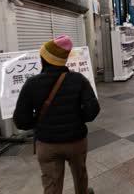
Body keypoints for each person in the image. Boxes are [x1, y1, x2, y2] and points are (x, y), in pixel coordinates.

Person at [13, 35, 100, 194]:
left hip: (47, 143)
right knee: (80, 175)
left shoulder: (32, 83)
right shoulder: (79, 80)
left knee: (51, 184)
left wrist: (39, 123)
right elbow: (93, 109)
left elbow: (20, 120)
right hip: (76, 140)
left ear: (44, 59)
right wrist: (78, 118)